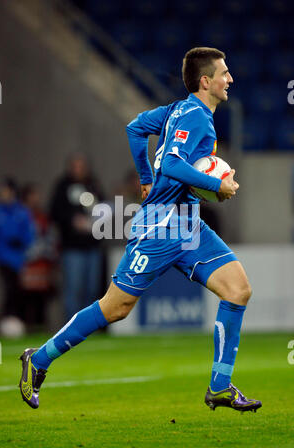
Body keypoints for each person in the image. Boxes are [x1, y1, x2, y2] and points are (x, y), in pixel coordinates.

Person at [19, 47, 262, 413]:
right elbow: (177, 166)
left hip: (188, 225)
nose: (231, 79)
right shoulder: (197, 117)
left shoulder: (175, 110)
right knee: (115, 308)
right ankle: (38, 359)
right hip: (161, 226)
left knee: (238, 289)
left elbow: (135, 128)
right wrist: (216, 186)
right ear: (205, 81)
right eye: (224, 73)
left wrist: (146, 177)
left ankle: (220, 387)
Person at [49, 153, 105, 321]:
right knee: (73, 290)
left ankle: (88, 326)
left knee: (92, 290)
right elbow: (54, 212)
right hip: (72, 248)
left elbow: (104, 207)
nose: (79, 170)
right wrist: (72, 221)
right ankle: (70, 327)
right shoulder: (62, 186)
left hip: (92, 246)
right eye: (76, 166)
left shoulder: (93, 184)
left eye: (82, 166)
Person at [19, 183, 58, 330]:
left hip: (43, 264)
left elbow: (51, 238)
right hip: (25, 264)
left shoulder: (43, 217)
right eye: (33, 196)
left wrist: (49, 254)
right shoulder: (21, 216)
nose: (36, 199)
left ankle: (41, 327)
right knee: (25, 299)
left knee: (42, 299)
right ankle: (25, 327)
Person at [0, 178, 35, 321]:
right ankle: (7, 320)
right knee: (8, 290)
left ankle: (17, 320)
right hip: (3, 257)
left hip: (20, 259)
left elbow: (29, 235)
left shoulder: (22, 212)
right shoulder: (0, 212)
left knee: (18, 292)